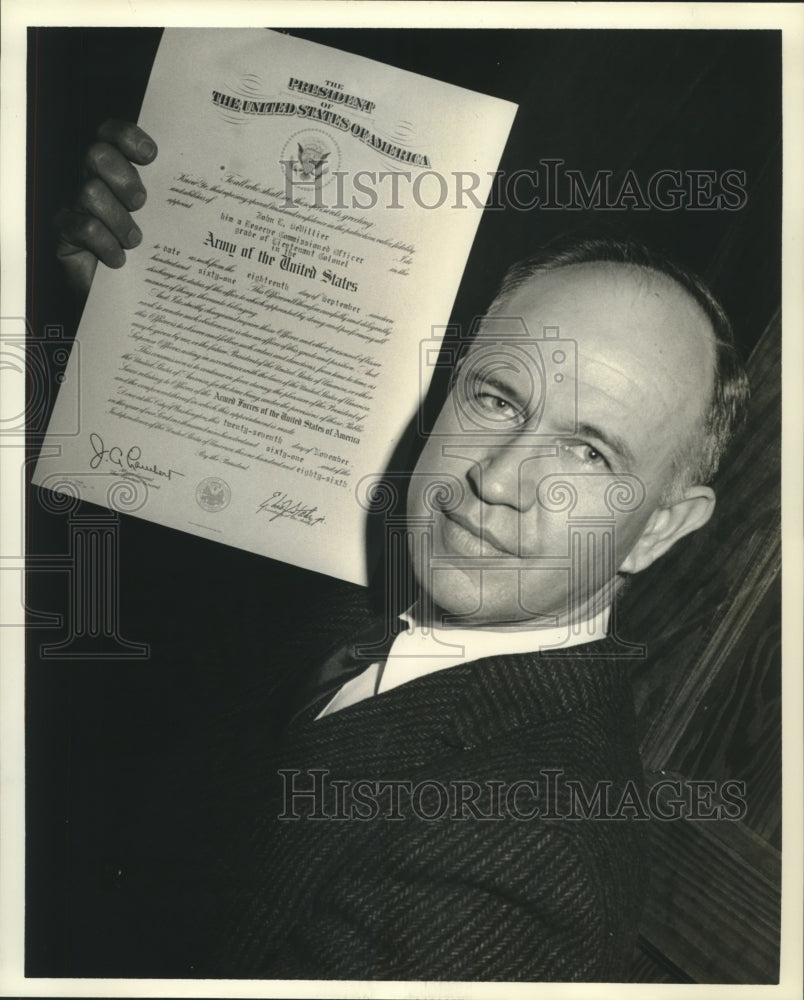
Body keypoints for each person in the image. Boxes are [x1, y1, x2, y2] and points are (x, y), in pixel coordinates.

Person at [52, 121, 749, 981]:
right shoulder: (362, 597)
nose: (498, 479)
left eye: (589, 451)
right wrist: (126, 326)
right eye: (497, 399)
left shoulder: (525, 858)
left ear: (660, 529)